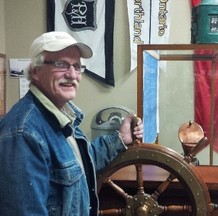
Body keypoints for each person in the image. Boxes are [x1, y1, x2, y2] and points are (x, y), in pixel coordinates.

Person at [0, 31, 143, 216]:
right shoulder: (23, 134)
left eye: (77, 66)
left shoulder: (61, 115)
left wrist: (120, 139)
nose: (72, 74)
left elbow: (80, 161)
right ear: (35, 71)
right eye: (61, 65)